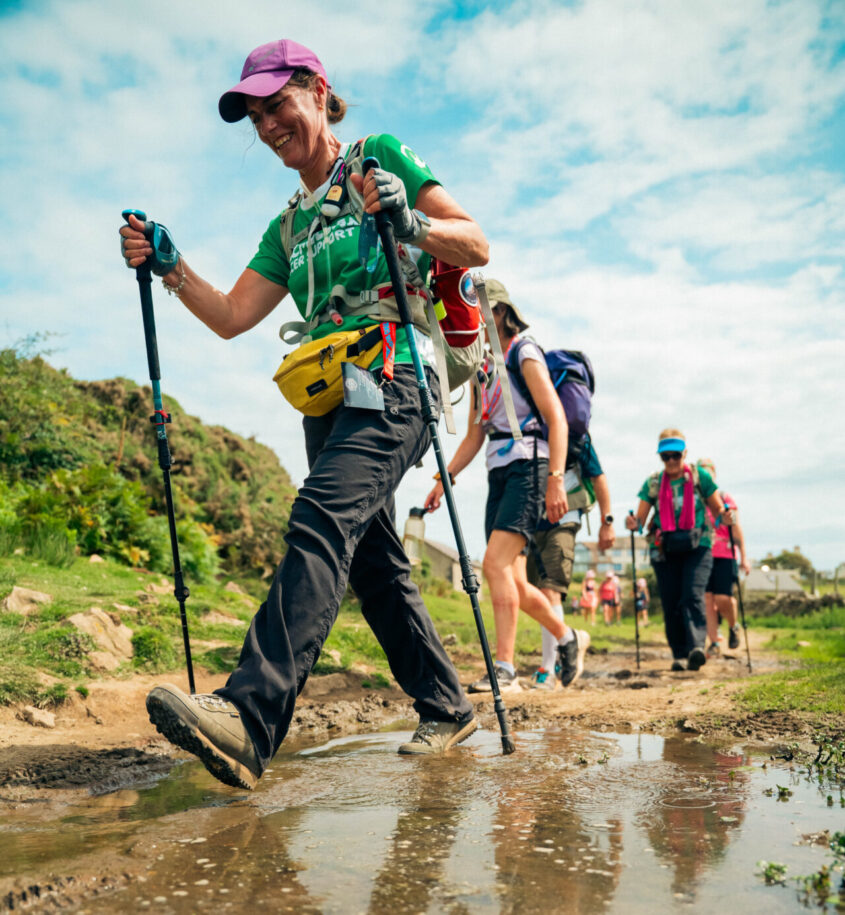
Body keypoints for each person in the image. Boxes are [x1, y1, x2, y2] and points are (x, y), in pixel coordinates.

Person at [119, 39, 490, 789]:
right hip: (327, 398)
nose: (265, 126)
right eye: (254, 116)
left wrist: (408, 220)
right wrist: (169, 264)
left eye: (276, 105)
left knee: (321, 515)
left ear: (318, 91)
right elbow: (229, 314)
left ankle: (248, 718)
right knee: (375, 565)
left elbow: (474, 242)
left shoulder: (376, 160)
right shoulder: (286, 225)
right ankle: (447, 706)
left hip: (394, 379)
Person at [424, 280, 589, 692]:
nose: (472, 314)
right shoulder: (480, 365)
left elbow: (557, 418)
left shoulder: (523, 352)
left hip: (530, 469)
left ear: (500, 312)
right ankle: (568, 639)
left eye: (478, 306)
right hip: (498, 471)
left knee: (493, 564)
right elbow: (475, 435)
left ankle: (505, 668)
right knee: (512, 579)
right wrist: (445, 480)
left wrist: (555, 480)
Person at [626, 429, 732, 672]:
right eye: (666, 457)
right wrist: (632, 523)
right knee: (671, 601)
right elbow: (639, 520)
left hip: (699, 545)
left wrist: (726, 516)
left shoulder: (699, 476)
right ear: (660, 457)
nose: (672, 461)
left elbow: (717, 511)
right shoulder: (653, 482)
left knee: (692, 595)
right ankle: (679, 654)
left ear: (685, 453)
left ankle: (696, 649)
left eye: (676, 455)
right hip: (664, 549)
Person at [526, 439, 615, 689]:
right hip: (531, 520)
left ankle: (549, 669)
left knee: (549, 590)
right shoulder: (524, 423)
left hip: (565, 517)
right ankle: (572, 637)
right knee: (529, 593)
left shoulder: (576, 432)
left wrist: (607, 521)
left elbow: (598, 476)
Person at [697, 459, 751, 657]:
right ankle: (714, 642)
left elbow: (737, 530)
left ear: (714, 475)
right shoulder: (696, 501)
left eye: (707, 473)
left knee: (722, 599)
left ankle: (733, 625)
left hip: (725, 554)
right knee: (707, 599)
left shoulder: (724, 498)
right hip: (703, 554)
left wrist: (744, 557)